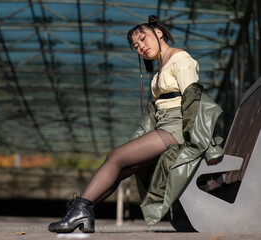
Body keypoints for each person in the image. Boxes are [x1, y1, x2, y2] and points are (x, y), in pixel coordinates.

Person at [48, 15, 224, 233]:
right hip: (165, 127)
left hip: (178, 128)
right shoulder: (162, 67)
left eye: (144, 39)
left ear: (158, 33)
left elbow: (192, 99)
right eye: (136, 46)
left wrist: (202, 142)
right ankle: (84, 214)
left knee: (116, 156)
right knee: (123, 167)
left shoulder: (180, 58)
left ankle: (80, 210)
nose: (141, 47)